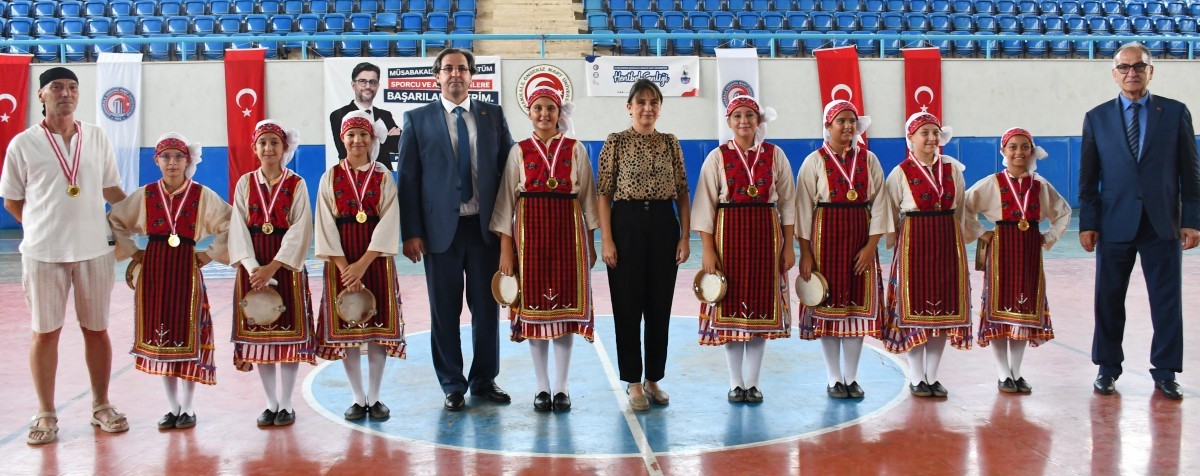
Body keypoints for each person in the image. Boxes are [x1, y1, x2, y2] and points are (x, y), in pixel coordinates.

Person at [1, 67, 129, 445]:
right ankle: (46, 412)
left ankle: (101, 405)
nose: (66, 93)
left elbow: (112, 190)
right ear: (41, 95)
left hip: (94, 249)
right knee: (45, 333)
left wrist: (149, 215)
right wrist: (40, 227)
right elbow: (12, 200)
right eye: (57, 87)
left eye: (72, 87)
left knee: (97, 330)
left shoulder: (97, 136)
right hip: (43, 253)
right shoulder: (23, 144)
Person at [1079, 42, 1200, 400]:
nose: (1132, 73)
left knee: (1166, 301)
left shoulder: (1175, 113)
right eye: (1125, 67)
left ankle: (1165, 372)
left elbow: (1191, 175)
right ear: (1114, 73)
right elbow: (1088, 178)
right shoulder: (1096, 118)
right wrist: (1089, 221)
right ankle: (1107, 367)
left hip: (1162, 222)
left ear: (1151, 71)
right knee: (1109, 298)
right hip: (1114, 222)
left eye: (1139, 66)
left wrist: (1191, 219)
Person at [398, 48, 514, 411]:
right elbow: (408, 180)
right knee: (444, 311)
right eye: (448, 69)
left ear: (472, 76)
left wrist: (509, 229)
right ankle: (452, 383)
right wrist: (411, 231)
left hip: (484, 231)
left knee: (486, 309)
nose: (455, 75)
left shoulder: (492, 115)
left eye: (462, 69)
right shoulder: (417, 119)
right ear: (436, 76)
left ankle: (484, 380)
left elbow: (510, 170)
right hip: (438, 233)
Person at [108, 133, 231, 430]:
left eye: (178, 157)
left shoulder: (201, 194)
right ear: (157, 161)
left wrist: (211, 254)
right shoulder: (145, 194)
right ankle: (172, 407)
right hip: (156, 269)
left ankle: (188, 408)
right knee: (163, 338)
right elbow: (115, 220)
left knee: (188, 338)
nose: (172, 162)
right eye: (166, 157)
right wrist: (134, 252)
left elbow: (231, 222)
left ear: (187, 160)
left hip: (187, 268)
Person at [489, 87, 598, 412]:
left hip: (569, 240)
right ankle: (541, 387)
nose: (544, 114)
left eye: (550, 108)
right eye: (538, 108)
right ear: (529, 111)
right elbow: (506, 203)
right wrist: (506, 250)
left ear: (559, 112)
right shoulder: (519, 152)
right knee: (535, 315)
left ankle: (562, 388)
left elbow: (588, 200)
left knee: (564, 316)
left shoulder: (575, 149)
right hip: (529, 242)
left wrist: (590, 246)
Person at [691, 95, 794, 403]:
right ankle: (736, 382)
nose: (744, 120)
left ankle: (753, 382)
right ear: (729, 121)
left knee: (761, 310)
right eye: (738, 116)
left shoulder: (776, 155)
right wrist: (708, 250)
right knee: (730, 307)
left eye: (750, 115)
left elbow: (788, 204)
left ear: (758, 120)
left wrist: (789, 246)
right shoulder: (717, 157)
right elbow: (705, 207)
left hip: (766, 237)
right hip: (728, 238)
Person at [596, 78, 691, 411]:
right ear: (630, 107)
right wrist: (607, 239)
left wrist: (684, 235)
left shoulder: (670, 143)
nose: (647, 108)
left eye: (654, 102)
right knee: (627, 306)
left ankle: (654, 379)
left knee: (659, 306)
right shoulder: (616, 142)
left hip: (664, 224)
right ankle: (633, 382)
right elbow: (604, 193)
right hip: (626, 224)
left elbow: (682, 192)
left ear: (659, 107)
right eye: (641, 102)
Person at [794, 100, 890, 399]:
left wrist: (871, 247)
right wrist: (806, 253)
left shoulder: (869, 160)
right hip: (825, 243)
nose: (848, 126)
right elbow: (803, 210)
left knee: (857, 311)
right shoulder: (814, 161)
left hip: (860, 243)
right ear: (828, 125)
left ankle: (852, 377)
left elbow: (881, 204)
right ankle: (834, 378)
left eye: (851, 120)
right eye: (841, 121)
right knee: (828, 308)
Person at [964, 127, 1071, 394]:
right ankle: (1003, 373)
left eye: (1024, 147)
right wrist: (981, 232)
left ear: (1032, 151)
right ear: (1003, 151)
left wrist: (1048, 237)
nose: (1019, 152)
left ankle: (1017, 371)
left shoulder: (1040, 185)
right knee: (1000, 310)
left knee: (1023, 311)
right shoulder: (992, 183)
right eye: (1013, 147)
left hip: (1029, 251)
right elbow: (965, 207)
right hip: (1001, 248)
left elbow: (1063, 211)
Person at [315, 111, 406, 420]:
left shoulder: (383, 176)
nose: (357, 140)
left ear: (372, 139)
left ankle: (376, 396)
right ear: (342, 138)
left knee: (377, 331)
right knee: (348, 330)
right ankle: (357, 397)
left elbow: (390, 220)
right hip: (342, 260)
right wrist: (345, 268)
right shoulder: (330, 177)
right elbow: (325, 224)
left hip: (375, 261)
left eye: (363, 134)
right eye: (351, 134)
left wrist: (362, 265)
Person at [228, 120, 316, 426]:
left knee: (287, 339)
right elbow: (237, 227)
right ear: (254, 148)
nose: (268, 148)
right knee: (261, 340)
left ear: (284, 148)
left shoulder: (297, 184)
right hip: (253, 268)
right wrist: (254, 269)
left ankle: (287, 404)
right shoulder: (244, 184)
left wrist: (272, 268)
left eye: (274, 143)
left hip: (284, 268)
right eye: (262, 143)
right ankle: (270, 403)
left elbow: (300, 228)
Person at [879, 112, 973, 398]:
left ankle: (933, 375)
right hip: (914, 245)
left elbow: (960, 207)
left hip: (946, 242)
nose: (931, 138)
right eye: (925, 133)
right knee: (914, 312)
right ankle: (917, 375)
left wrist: (962, 240)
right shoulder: (900, 172)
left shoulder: (952, 169)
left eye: (935, 132)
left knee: (944, 312)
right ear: (911, 138)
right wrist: (896, 242)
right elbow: (889, 210)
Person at [330, 62, 400, 170]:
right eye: (362, 81)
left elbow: (398, 147)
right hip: (353, 175)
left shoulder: (385, 115)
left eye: (372, 82)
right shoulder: (339, 115)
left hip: (384, 176)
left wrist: (382, 139)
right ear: (353, 85)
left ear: (377, 86)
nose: (368, 86)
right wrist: (385, 137)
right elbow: (345, 151)